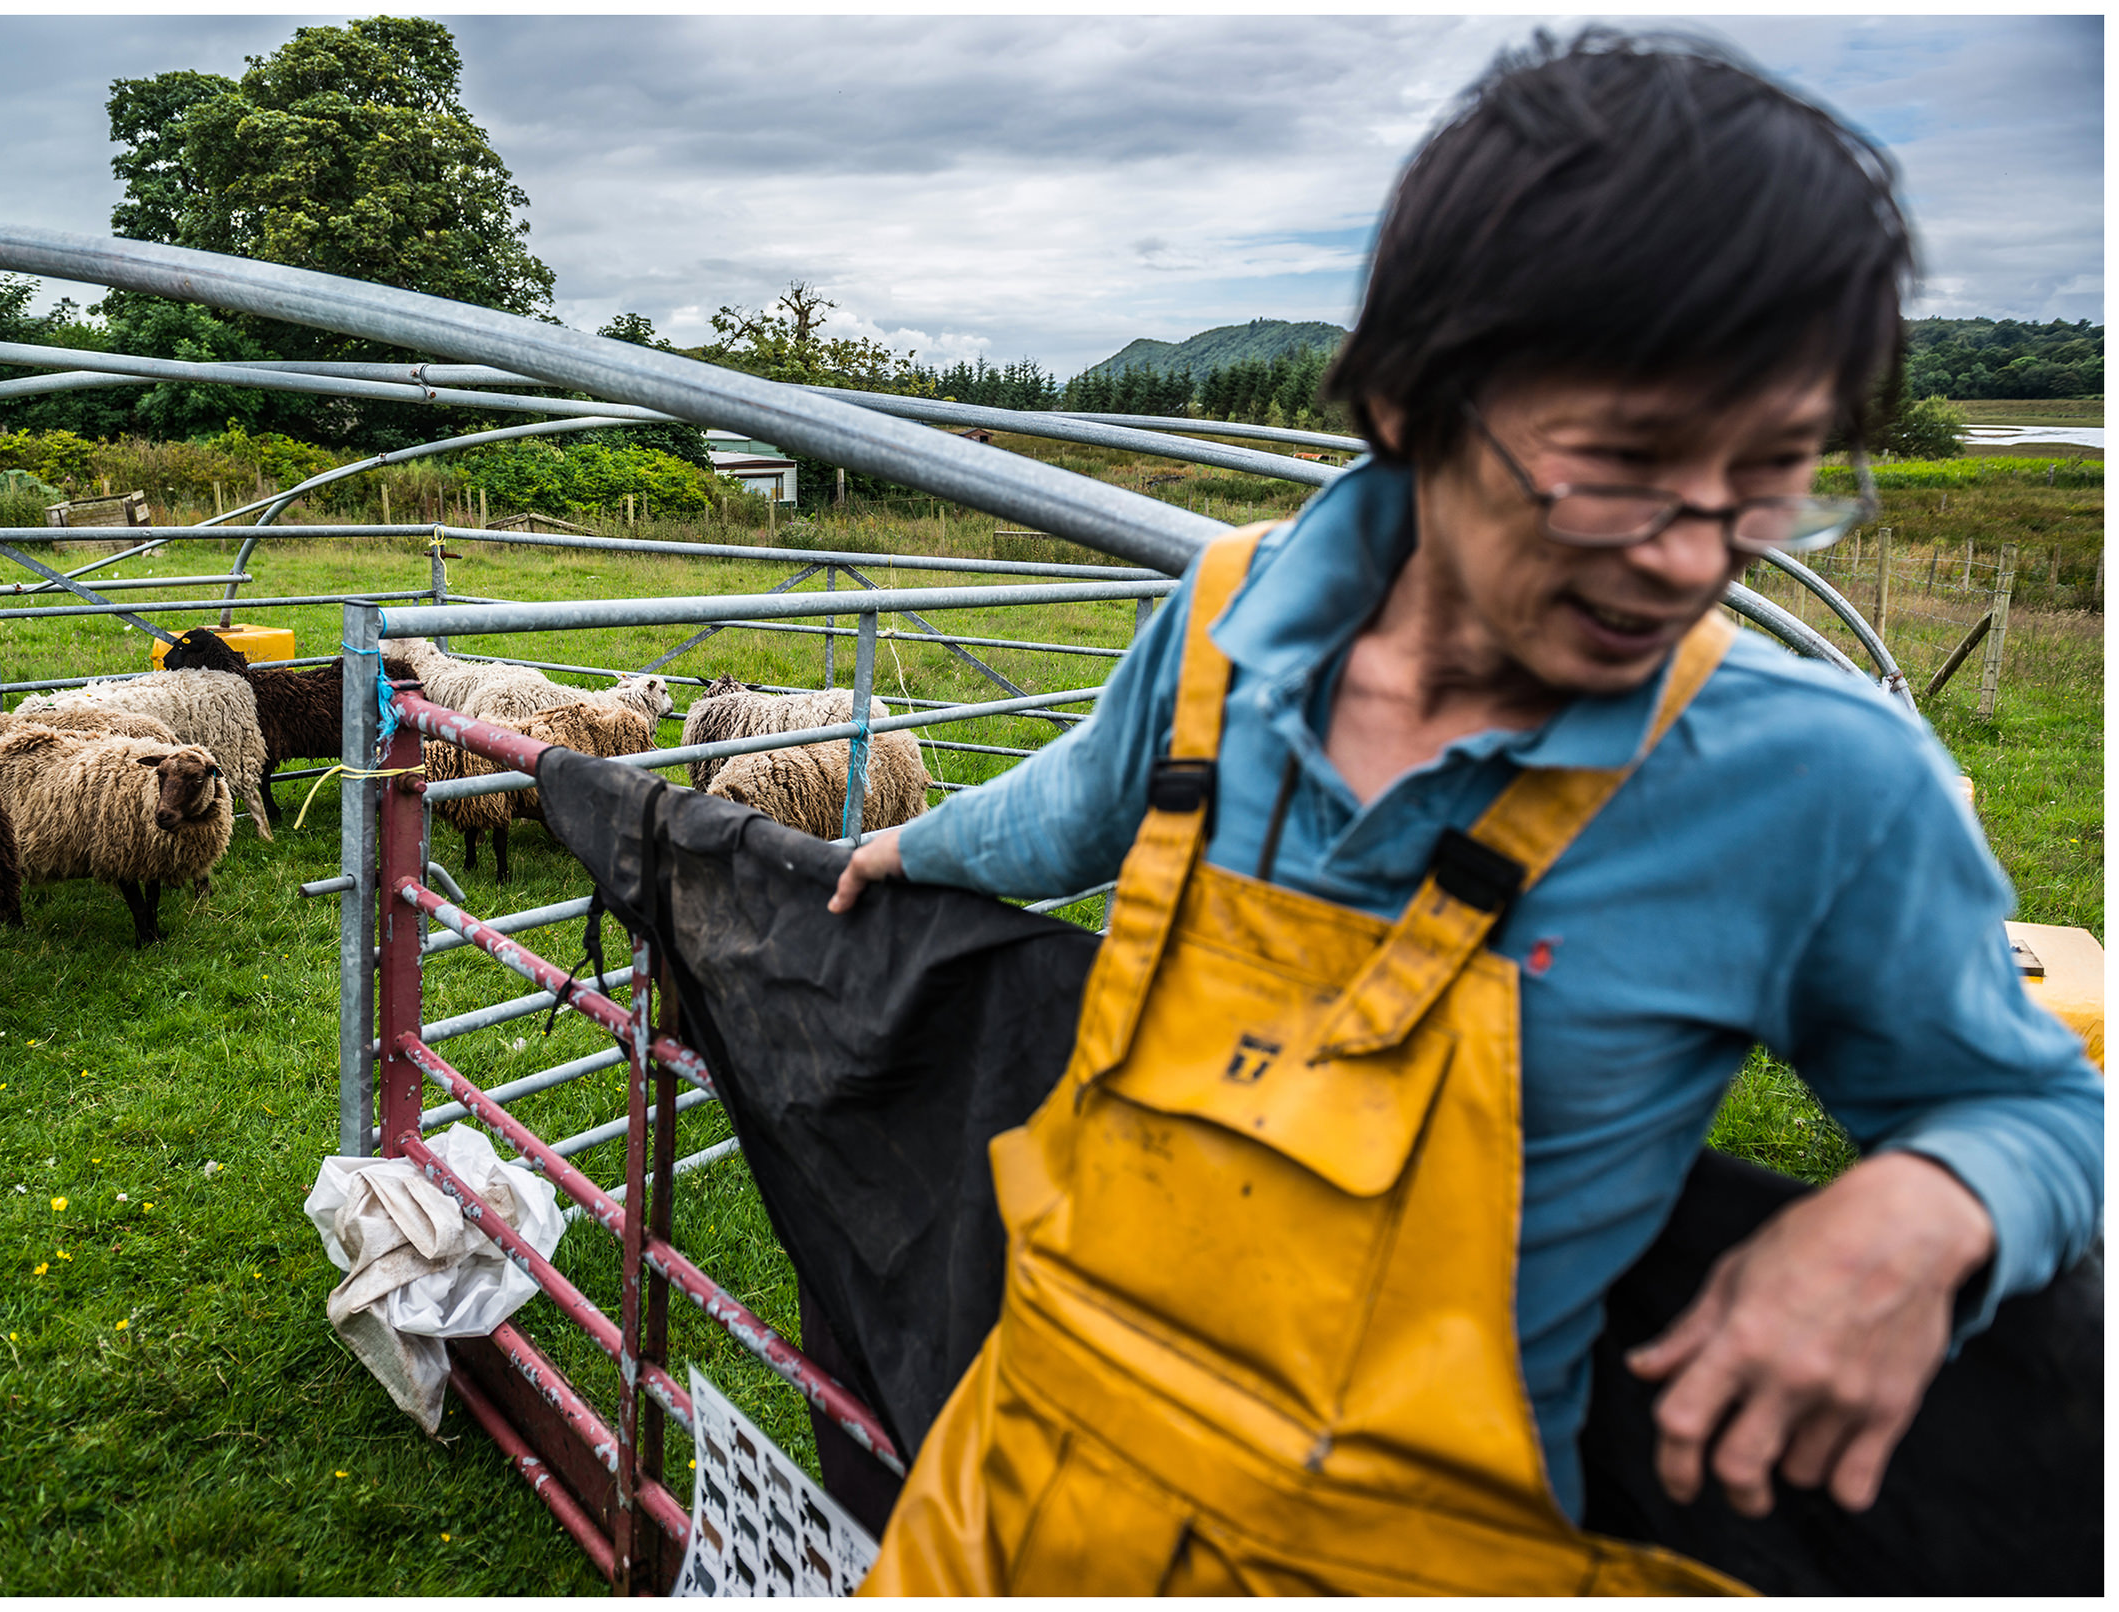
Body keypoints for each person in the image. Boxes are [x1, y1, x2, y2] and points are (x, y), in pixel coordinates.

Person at [825, 29, 2103, 1595]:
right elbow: (1073, 808)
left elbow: (2045, 1107)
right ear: (1408, 398)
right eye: (1622, 465)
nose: (1694, 555)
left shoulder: (1821, 786)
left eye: (1771, 478)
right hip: (1015, 1496)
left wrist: (1927, 1206)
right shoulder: (1223, 620)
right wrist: (901, 843)